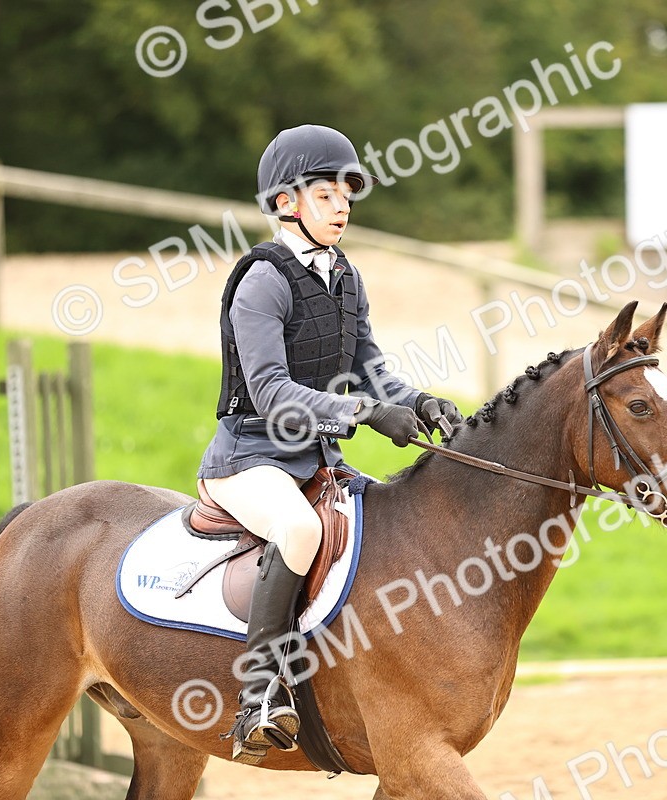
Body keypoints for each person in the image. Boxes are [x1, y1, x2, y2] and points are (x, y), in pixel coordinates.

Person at [197, 124, 461, 763]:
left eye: (347, 194)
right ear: (286, 202)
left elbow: (370, 368)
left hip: (316, 460)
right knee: (298, 530)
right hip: (249, 459)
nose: (342, 206)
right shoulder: (263, 280)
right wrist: (365, 413)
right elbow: (271, 392)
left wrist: (415, 402)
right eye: (326, 194)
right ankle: (260, 694)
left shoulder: (344, 277)